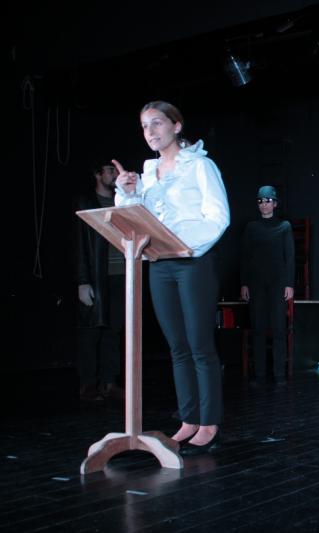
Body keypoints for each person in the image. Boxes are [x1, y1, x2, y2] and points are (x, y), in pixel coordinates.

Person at [113, 101, 230, 456]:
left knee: (199, 345)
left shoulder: (201, 166)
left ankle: (209, 423)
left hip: (193, 262)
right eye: (144, 126)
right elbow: (140, 220)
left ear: (176, 126)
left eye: (157, 123)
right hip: (159, 263)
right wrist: (127, 194)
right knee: (177, 347)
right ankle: (189, 420)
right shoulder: (148, 174)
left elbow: (218, 217)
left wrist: (184, 245)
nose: (150, 132)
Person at [74, 161, 125, 402]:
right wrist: (83, 281)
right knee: (91, 331)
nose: (114, 174)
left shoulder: (121, 201)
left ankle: (109, 382)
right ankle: (88, 384)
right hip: (96, 277)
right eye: (110, 170)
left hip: (122, 275)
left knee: (114, 331)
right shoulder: (86, 202)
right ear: (97, 174)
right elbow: (79, 244)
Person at [240, 185, 295, 385]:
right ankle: (260, 374)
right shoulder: (251, 227)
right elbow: (245, 257)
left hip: (278, 283)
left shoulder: (284, 226)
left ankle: (279, 373)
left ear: (275, 203)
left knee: (279, 328)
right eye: (261, 201)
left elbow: (289, 256)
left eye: (268, 201)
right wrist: (244, 284)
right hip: (256, 283)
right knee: (258, 328)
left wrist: (289, 284)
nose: (264, 204)